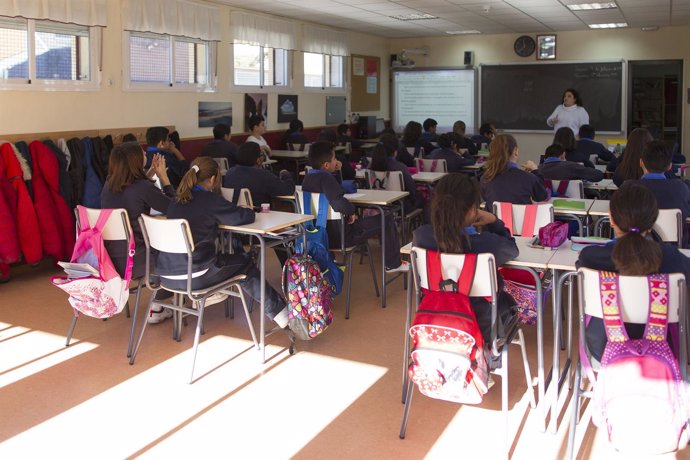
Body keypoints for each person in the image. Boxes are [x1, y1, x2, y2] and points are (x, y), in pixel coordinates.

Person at [158, 156, 291, 329]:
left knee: (224, 257)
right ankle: (282, 315)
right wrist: (247, 210)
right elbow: (244, 217)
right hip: (196, 277)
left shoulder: (176, 200)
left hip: (167, 277)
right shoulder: (209, 200)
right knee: (244, 265)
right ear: (213, 179)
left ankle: (278, 312)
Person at [576, 183, 690, 361]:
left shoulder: (590, 257)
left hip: (603, 347)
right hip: (665, 348)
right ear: (653, 221)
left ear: (611, 219)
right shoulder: (670, 257)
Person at [413, 173, 517, 344]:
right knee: (509, 303)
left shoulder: (421, 237)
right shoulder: (487, 245)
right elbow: (512, 248)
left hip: (435, 322)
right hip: (480, 327)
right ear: (471, 211)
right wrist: (494, 221)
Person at [301, 141, 408, 273]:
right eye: (334, 158)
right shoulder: (326, 178)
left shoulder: (307, 179)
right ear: (326, 164)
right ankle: (393, 264)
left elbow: (333, 190)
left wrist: (336, 172)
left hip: (318, 237)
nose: (336, 161)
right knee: (387, 218)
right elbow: (338, 203)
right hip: (341, 237)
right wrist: (352, 211)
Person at [101, 141, 176, 323]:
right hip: (138, 260)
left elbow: (133, 192)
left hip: (111, 258)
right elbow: (174, 208)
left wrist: (148, 175)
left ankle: (159, 301)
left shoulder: (108, 185)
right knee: (176, 251)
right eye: (142, 153)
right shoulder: (143, 187)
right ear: (135, 160)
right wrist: (164, 178)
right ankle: (158, 304)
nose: (146, 155)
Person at [628, 140, 690, 246]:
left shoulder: (628, 188)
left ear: (641, 162)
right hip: (676, 248)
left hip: (636, 248)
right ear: (670, 166)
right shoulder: (681, 188)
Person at [480, 133, 548, 212]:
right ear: (515, 151)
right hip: (523, 223)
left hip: (495, 223)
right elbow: (542, 197)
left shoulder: (485, 178)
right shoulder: (528, 178)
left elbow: (487, 198)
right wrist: (535, 170)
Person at [223, 142, 295, 209]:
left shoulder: (230, 173)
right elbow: (288, 190)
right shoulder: (263, 175)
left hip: (234, 214)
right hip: (260, 215)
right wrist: (285, 174)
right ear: (258, 160)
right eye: (262, 155)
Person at [369, 133, 422, 212]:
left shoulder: (370, 166)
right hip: (400, 206)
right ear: (395, 151)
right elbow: (412, 191)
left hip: (377, 205)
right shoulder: (400, 167)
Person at [538, 143, 604, 182]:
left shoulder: (537, 169)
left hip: (544, 203)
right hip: (570, 202)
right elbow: (598, 175)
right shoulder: (570, 166)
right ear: (563, 155)